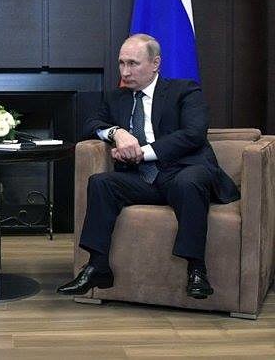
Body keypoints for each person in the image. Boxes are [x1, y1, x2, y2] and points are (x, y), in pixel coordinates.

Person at [57, 33, 239, 300]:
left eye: (133, 63)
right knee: (101, 183)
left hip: (183, 171)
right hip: (145, 181)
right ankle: (98, 266)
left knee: (188, 182)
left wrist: (142, 153)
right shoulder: (116, 97)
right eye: (122, 63)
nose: (125, 72)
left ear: (155, 64)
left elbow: (194, 134)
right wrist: (117, 132)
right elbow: (90, 124)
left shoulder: (185, 90)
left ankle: (197, 269)